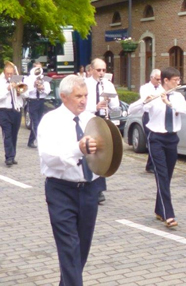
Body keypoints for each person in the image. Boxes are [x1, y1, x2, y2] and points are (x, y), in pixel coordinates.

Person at [38, 75, 99, 285]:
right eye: (78, 96)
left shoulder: (91, 119)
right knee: (69, 249)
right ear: (64, 97)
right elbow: (49, 157)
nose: (83, 100)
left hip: (89, 190)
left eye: (86, 96)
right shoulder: (50, 121)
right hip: (61, 190)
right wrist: (77, 149)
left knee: (81, 250)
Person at [144, 67, 186, 228]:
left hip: (172, 138)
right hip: (156, 138)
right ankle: (169, 214)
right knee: (161, 175)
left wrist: (169, 104)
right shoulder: (153, 94)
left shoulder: (177, 96)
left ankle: (159, 209)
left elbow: (183, 110)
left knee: (167, 176)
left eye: (178, 79)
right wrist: (146, 101)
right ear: (166, 81)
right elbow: (139, 109)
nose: (178, 82)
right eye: (175, 80)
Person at [85, 58, 119, 204]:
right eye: (98, 70)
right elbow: (81, 105)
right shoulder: (85, 84)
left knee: (103, 154)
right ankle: (90, 184)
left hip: (104, 122)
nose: (101, 73)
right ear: (91, 70)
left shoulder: (108, 85)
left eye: (104, 70)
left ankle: (99, 188)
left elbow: (116, 106)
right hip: (89, 121)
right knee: (91, 153)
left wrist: (110, 102)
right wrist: (95, 106)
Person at [139, 69, 164, 173]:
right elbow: (146, 100)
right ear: (151, 78)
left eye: (160, 80)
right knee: (151, 138)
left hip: (158, 115)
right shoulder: (145, 88)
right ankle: (152, 164)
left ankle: (151, 164)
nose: (159, 81)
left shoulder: (162, 88)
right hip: (148, 115)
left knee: (157, 139)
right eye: (157, 79)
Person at [0, 62, 24, 167]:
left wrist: (20, 92)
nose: (9, 76)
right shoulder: (1, 82)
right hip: (4, 111)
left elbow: (25, 95)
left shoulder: (17, 80)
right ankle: (8, 157)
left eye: (11, 74)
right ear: (4, 73)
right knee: (7, 134)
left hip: (16, 110)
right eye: (7, 74)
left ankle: (12, 156)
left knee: (14, 134)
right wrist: (8, 88)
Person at [24, 62, 51, 148]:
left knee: (38, 122)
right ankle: (39, 142)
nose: (38, 70)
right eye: (37, 68)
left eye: (40, 68)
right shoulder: (28, 79)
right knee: (35, 123)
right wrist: (34, 86)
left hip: (41, 101)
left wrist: (42, 88)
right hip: (32, 101)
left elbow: (48, 91)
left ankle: (31, 141)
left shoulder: (44, 79)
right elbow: (26, 92)